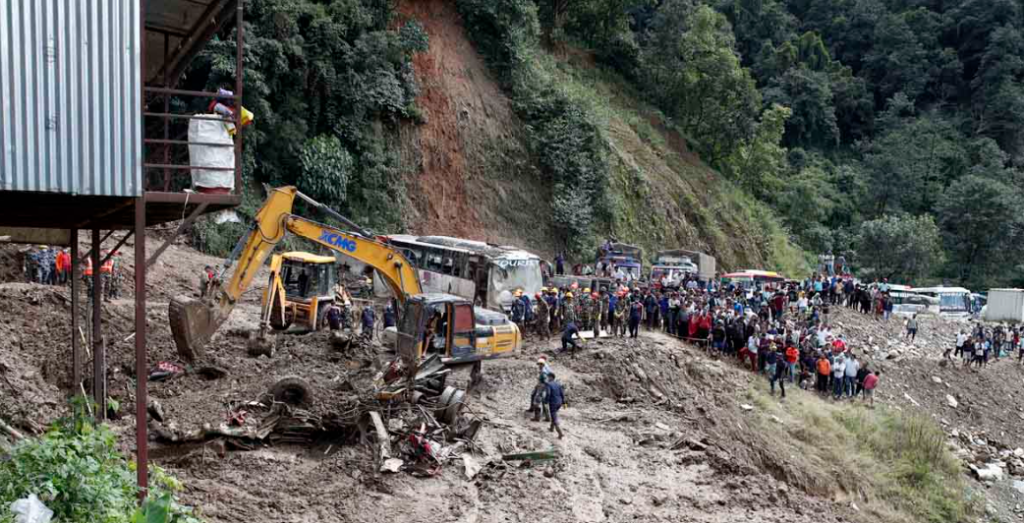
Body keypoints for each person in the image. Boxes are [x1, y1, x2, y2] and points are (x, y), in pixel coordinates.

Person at [530, 357, 553, 422]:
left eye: (540, 364)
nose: (539, 366)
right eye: (538, 364)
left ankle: (537, 418)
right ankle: (547, 418)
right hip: (542, 387)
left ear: (542, 364)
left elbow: (546, 381)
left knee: (536, 402)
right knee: (544, 402)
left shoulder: (543, 372)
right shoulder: (544, 370)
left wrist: (542, 386)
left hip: (542, 388)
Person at [546, 372, 567, 439]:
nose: (547, 378)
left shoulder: (549, 384)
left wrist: (546, 401)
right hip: (559, 403)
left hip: (553, 403)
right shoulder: (558, 384)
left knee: (554, 416)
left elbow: (548, 394)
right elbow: (562, 394)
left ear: (551, 377)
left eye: (548, 377)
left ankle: (560, 433)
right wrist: (564, 404)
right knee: (554, 414)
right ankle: (551, 428)